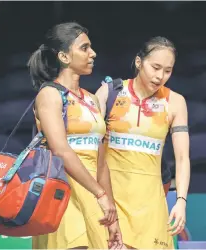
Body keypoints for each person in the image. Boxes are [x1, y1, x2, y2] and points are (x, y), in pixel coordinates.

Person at [27, 22, 122, 249]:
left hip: (92, 195)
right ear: (64, 56)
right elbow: (60, 150)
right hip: (61, 193)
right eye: (84, 48)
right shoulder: (49, 95)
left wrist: (112, 215)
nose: (93, 53)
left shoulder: (91, 100)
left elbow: (101, 164)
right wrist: (100, 194)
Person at [95, 36, 190, 249]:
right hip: (110, 205)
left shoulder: (175, 102)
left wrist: (181, 202)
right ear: (139, 62)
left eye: (167, 70)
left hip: (151, 207)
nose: (160, 76)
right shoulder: (110, 93)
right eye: (155, 67)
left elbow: (182, 158)